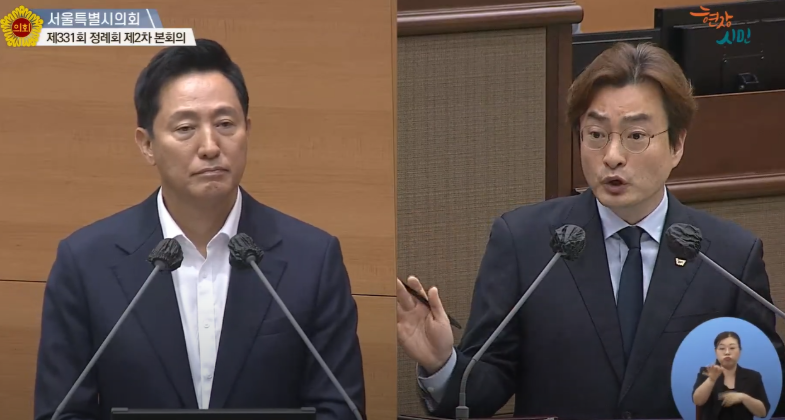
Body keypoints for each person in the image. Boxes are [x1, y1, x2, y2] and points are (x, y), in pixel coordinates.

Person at [397, 42, 785, 419]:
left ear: (677, 145)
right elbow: (484, 387)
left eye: (636, 136)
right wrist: (442, 363)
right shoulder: (526, 243)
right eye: (596, 135)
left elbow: (767, 395)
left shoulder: (729, 257)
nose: (612, 156)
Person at [34, 39, 365, 420]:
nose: (210, 146)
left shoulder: (313, 259)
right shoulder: (85, 263)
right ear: (147, 144)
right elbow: (62, 413)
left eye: (225, 124)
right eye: (186, 128)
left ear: (247, 131)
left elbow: (340, 409)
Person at [693, 332, 769, 420]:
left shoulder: (753, 376)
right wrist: (711, 380)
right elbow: (698, 401)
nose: (727, 352)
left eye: (732, 348)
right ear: (716, 352)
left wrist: (743, 397)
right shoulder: (707, 372)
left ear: (740, 351)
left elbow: (762, 413)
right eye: (722, 348)